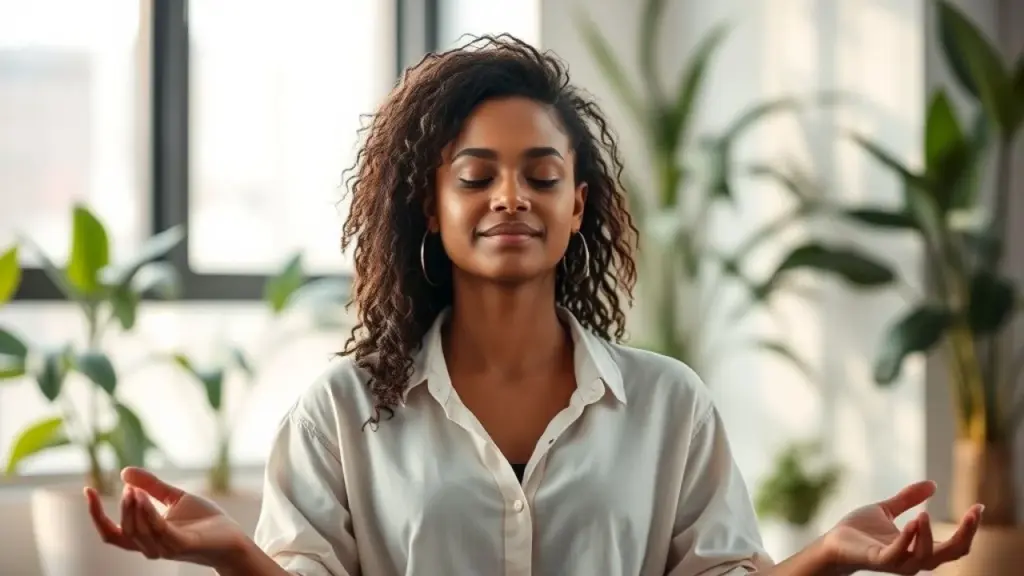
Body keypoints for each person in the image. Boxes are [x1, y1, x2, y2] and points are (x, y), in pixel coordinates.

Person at [84, 35, 982, 576]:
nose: (510, 196)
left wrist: (825, 556)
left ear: (577, 205)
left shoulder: (668, 405)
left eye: (542, 175)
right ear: (431, 207)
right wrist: (237, 554)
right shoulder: (344, 410)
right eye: (476, 176)